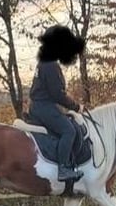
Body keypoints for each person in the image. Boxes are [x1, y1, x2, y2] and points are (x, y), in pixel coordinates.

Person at [28, 25, 86, 182]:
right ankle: (63, 169)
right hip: (44, 107)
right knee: (69, 131)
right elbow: (57, 94)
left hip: (39, 105)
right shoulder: (51, 65)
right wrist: (76, 106)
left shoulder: (44, 61)